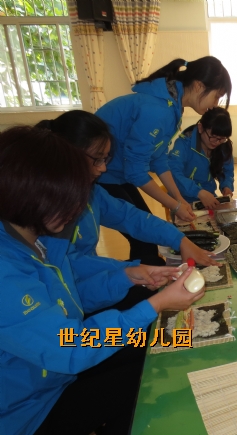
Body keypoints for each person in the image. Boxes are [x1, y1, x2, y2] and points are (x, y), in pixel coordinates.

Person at [0, 126, 205, 435]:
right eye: (69, 199)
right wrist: (155, 305)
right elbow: (71, 345)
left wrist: (128, 276)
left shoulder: (39, 242)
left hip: (58, 376)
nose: (76, 210)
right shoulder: (7, 274)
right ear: (31, 194)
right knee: (144, 378)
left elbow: (71, 299)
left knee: (165, 342)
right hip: (30, 412)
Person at [36, 111, 218, 268]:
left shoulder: (91, 193)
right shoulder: (46, 208)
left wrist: (179, 239)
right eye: (98, 159)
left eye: (105, 159)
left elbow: (130, 217)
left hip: (94, 280)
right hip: (80, 289)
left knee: (153, 263)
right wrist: (129, 272)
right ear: (70, 153)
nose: (103, 168)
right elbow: (71, 271)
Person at [96, 56, 231, 260]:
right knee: (144, 237)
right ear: (198, 86)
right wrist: (174, 205)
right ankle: (143, 277)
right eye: (216, 96)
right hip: (100, 174)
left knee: (146, 236)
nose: (215, 105)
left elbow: (159, 159)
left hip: (117, 173)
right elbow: (136, 172)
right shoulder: (159, 109)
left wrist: (179, 199)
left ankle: (147, 274)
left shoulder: (172, 106)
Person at [169, 107, 234, 208]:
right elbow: (173, 174)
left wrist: (227, 186)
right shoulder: (184, 144)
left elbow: (228, 171)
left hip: (209, 198)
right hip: (183, 200)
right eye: (213, 136)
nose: (217, 142)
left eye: (222, 138)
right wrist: (198, 192)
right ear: (200, 128)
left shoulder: (223, 145)